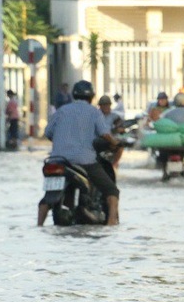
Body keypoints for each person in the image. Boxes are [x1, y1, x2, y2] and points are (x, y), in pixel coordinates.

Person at [37, 80, 120, 226]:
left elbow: (48, 133)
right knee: (112, 191)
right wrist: (115, 143)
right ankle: (111, 225)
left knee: (47, 197)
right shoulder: (94, 112)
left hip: (56, 160)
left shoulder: (62, 110)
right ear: (92, 97)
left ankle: (39, 225)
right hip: (84, 161)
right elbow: (105, 135)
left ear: (74, 95)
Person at [97, 95, 125, 168]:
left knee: (120, 147)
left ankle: (114, 165)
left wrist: (120, 129)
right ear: (100, 106)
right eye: (104, 105)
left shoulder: (114, 116)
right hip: (98, 140)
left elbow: (120, 126)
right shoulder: (95, 115)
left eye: (108, 105)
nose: (106, 107)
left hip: (110, 139)